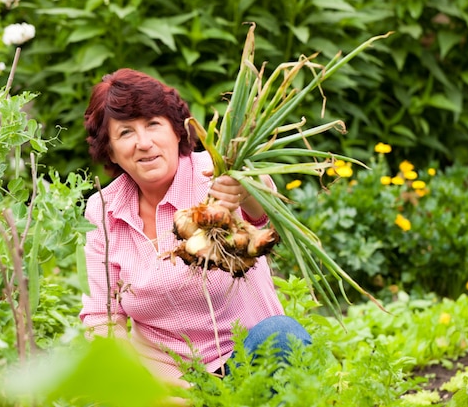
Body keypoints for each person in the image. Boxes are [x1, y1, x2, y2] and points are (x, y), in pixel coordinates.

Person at [79, 68, 311, 388]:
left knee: (283, 336)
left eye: (153, 124)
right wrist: (145, 390)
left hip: (249, 366)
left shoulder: (218, 173)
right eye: (126, 133)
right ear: (111, 151)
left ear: (177, 131)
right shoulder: (103, 211)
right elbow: (101, 318)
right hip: (167, 384)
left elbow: (263, 216)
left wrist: (248, 189)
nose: (143, 143)